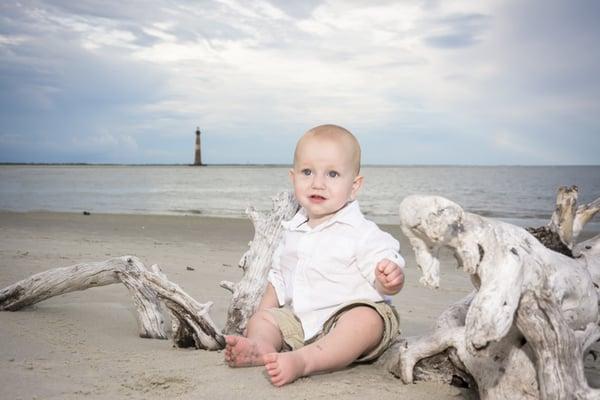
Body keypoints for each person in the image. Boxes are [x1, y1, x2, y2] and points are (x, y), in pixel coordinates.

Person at [224, 124, 405, 386]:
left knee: (366, 320)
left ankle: (304, 361)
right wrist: (262, 319)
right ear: (293, 177)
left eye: (332, 174)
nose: (317, 183)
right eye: (307, 172)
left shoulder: (360, 231)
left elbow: (384, 257)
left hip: (348, 318)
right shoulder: (293, 230)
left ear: (354, 186)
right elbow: (279, 279)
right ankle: (261, 347)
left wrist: (389, 276)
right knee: (263, 317)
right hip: (302, 321)